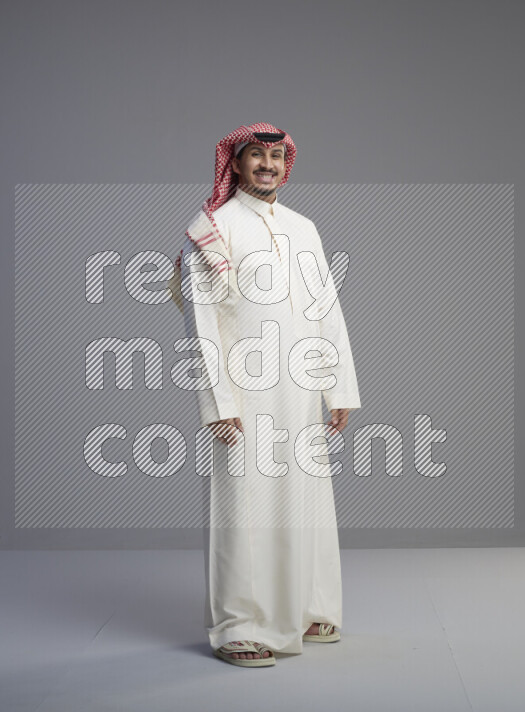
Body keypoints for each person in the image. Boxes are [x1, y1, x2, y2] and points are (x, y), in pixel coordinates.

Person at [169, 123, 361, 667]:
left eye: (277, 156)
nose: (268, 165)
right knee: (243, 506)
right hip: (244, 394)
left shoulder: (304, 228)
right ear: (236, 163)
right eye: (258, 155)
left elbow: (327, 309)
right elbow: (201, 326)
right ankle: (238, 626)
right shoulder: (211, 229)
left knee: (308, 498)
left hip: (300, 388)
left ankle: (310, 606)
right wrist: (217, 404)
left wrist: (337, 384)